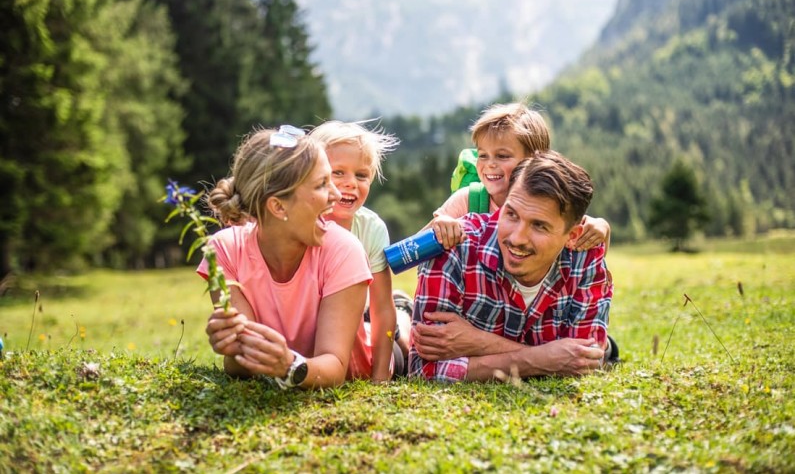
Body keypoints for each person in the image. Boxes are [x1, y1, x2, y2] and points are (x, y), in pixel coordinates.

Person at [409, 151, 614, 382]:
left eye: (539, 226)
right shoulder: (453, 246)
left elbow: (583, 362)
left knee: (604, 349)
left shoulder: (585, 257)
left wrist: (480, 342)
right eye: (511, 215)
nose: (517, 238)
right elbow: (423, 370)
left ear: (572, 236)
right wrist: (545, 358)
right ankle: (403, 309)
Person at [199, 126, 374, 389]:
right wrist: (233, 348)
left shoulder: (345, 250)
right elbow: (242, 363)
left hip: (366, 360)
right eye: (322, 184)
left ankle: (402, 313)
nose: (336, 195)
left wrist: (289, 366)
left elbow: (335, 367)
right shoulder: (225, 251)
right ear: (278, 206)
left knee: (400, 339)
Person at [430, 102, 611, 253]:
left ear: (534, 160)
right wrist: (440, 226)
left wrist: (602, 227)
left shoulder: (549, 203)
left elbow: (586, 241)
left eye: (502, 156)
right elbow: (416, 247)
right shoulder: (468, 200)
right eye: (483, 155)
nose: (490, 164)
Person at [309, 120, 412, 381]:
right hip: (336, 322)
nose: (350, 183)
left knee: (402, 351)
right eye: (338, 173)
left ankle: (405, 312)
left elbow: (382, 308)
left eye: (361, 175)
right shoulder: (302, 224)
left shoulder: (371, 228)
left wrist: (381, 376)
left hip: (361, 320)